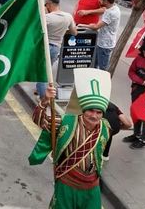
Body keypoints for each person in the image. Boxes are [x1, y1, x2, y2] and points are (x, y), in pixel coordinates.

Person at [29, 68, 111, 209]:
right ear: (83, 110)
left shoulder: (105, 127)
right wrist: (46, 99)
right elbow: (39, 120)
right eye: (91, 111)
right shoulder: (65, 122)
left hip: (92, 186)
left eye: (99, 112)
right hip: (67, 183)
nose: (94, 116)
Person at [36, 0, 77, 100]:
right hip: (56, 48)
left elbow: (36, 31)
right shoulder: (68, 17)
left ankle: (43, 99)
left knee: (42, 75)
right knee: (47, 72)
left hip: (44, 48)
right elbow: (74, 32)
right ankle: (41, 90)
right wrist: (63, 30)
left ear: (48, 4)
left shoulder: (47, 18)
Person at [82, 0, 121, 71]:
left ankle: (102, 82)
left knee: (102, 68)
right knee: (94, 64)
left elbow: (96, 27)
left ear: (106, 1)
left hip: (105, 45)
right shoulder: (113, 7)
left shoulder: (111, 13)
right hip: (102, 42)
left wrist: (82, 25)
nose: (99, 0)